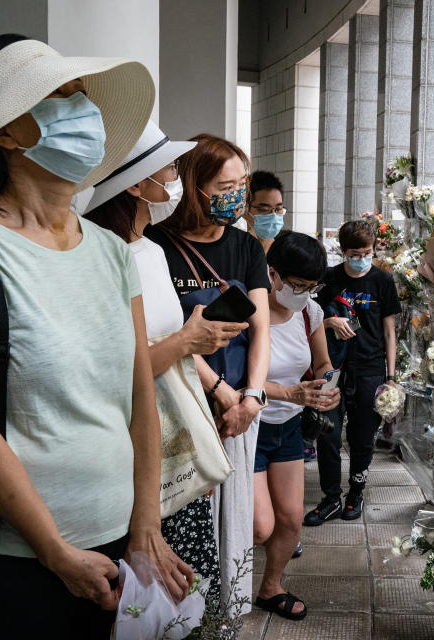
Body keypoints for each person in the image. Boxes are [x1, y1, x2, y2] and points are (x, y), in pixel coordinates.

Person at [0, 35, 191, 638]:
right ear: (7, 136)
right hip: (20, 558)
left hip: (122, 541)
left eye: (82, 93)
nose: (85, 109)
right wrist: (54, 551)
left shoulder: (111, 252)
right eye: (60, 95)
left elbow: (138, 393)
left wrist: (147, 524)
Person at [83, 120, 250, 605]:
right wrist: (185, 341)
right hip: (129, 451)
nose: (177, 179)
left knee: (191, 598)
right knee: (152, 600)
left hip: (173, 440)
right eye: (171, 168)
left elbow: (170, 356)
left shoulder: (151, 250)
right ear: (137, 184)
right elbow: (113, 372)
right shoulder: (103, 255)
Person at [144, 135, 270, 612]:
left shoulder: (246, 246)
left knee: (237, 519)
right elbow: (164, 334)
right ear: (194, 186)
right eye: (224, 184)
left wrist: (252, 397)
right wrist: (220, 393)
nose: (236, 194)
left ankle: (226, 614)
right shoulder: (156, 244)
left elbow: (260, 330)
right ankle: (188, 616)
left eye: (242, 183)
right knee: (186, 515)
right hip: (185, 405)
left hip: (240, 408)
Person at [252, 231, 339, 620]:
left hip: (287, 427)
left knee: (290, 520)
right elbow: (241, 381)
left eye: (311, 286)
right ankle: (221, 586)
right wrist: (291, 393)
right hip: (250, 427)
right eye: (298, 285)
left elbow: (321, 362)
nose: (305, 293)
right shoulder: (248, 311)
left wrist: (326, 384)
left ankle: (271, 587)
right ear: (273, 274)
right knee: (259, 525)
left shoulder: (309, 312)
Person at [305, 220, 400, 526]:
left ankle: (356, 492)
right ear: (343, 251)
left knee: (363, 437)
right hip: (331, 367)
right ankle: (331, 497)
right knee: (328, 433)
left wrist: (391, 377)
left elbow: (389, 332)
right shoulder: (329, 278)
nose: (361, 258)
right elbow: (309, 319)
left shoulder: (383, 281)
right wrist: (330, 323)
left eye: (367, 252)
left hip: (370, 368)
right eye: (355, 253)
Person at [242, 170, 286, 253]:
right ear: (245, 209)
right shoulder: (237, 247)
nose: (273, 215)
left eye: (278, 209)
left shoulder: (284, 250)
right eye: (264, 209)